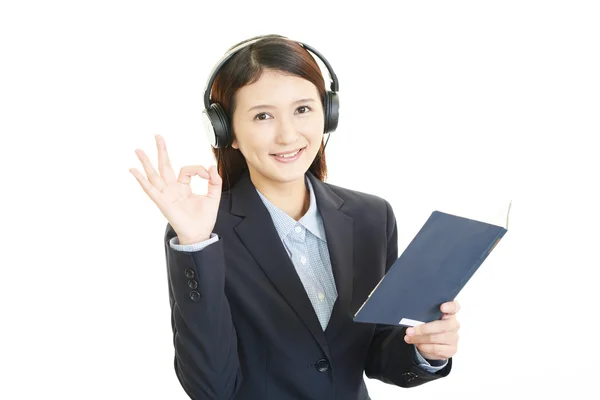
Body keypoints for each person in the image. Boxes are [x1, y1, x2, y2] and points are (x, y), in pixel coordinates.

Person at [130, 34, 461, 400]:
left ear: (328, 114)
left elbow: (376, 351)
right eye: (263, 116)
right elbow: (211, 388)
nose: (288, 135)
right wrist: (195, 245)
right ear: (228, 133)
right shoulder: (205, 233)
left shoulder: (371, 217)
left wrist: (423, 350)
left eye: (302, 109)